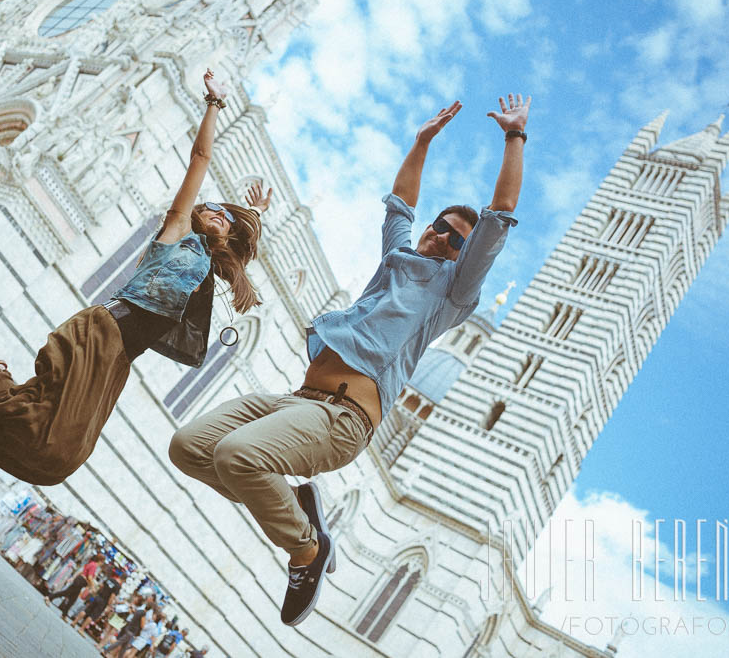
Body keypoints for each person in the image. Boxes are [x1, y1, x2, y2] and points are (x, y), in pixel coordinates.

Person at [170, 94, 530, 625]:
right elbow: (400, 205)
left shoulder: (452, 294)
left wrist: (513, 137)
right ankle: (299, 512)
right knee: (190, 448)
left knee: (237, 457)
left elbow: (499, 217)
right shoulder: (397, 261)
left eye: (455, 239)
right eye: (439, 225)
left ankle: (308, 552)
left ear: (464, 255)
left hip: (343, 418)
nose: (440, 235)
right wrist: (422, 142)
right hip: (300, 400)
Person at [0, 68, 269, 485]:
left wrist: (256, 214)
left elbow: (238, 243)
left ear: (228, 236)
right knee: (46, 438)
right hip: (101, 331)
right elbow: (201, 159)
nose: (218, 214)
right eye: (214, 207)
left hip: (120, 358)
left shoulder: (209, 265)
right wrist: (214, 103)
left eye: (227, 219)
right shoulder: (176, 232)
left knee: (60, 458)